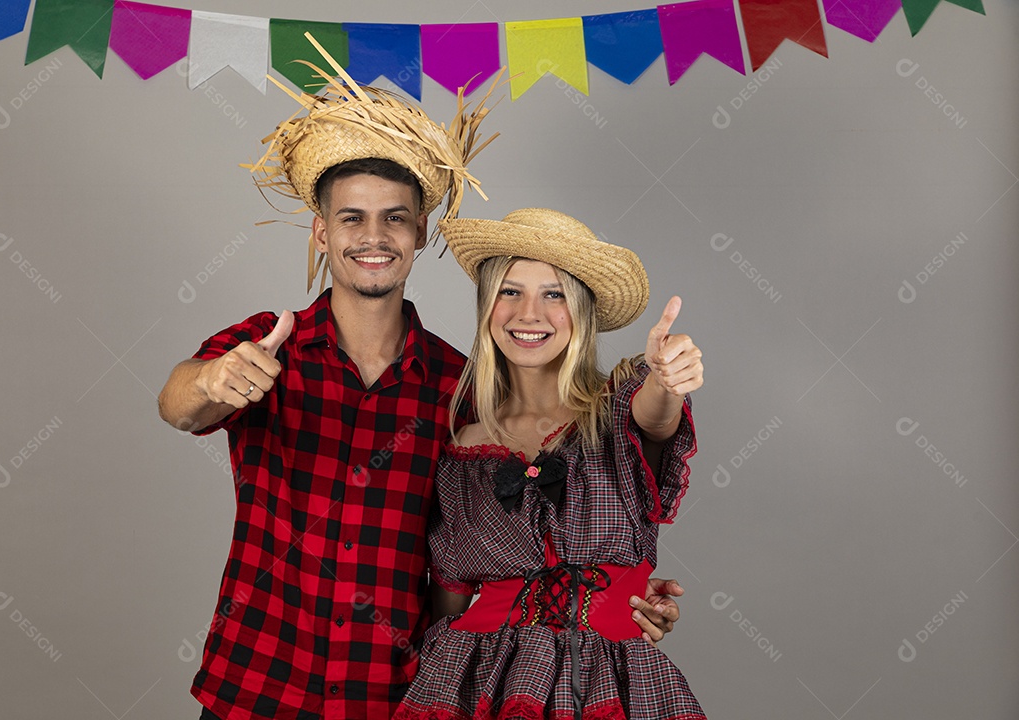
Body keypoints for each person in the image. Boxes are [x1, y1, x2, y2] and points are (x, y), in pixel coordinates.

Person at [157, 40, 678, 720]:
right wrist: (213, 383)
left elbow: (504, 541)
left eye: (393, 218)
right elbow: (179, 404)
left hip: (396, 694)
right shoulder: (264, 347)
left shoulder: (462, 387)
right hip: (258, 681)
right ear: (321, 232)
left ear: (420, 230)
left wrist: (614, 595)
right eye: (351, 218)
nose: (372, 236)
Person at [393, 208, 707, 720]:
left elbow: (657, 416)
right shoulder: (460, 453)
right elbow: (445, 606)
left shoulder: (619, 412)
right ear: (487, 304)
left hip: (613, 679)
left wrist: (666, 381)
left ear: (581, 310)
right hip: (480, 682)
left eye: (554, 294)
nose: (529, 313)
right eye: (510, 291)